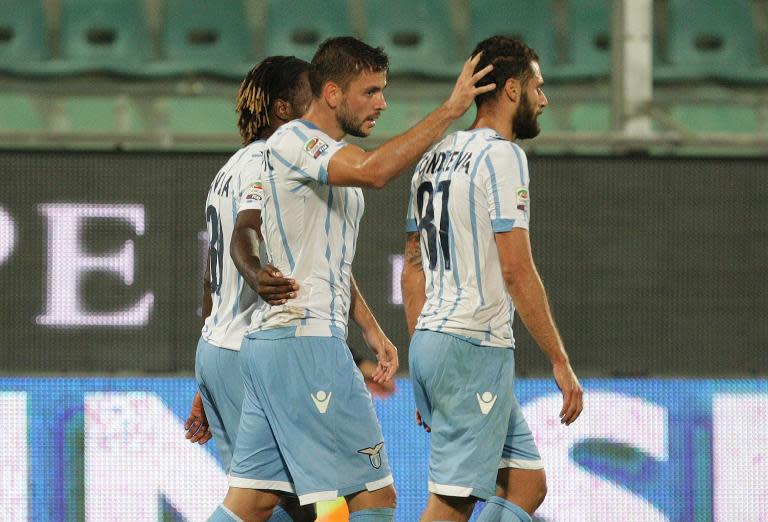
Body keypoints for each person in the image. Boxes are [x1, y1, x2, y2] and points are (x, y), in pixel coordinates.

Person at [210, 37, 495, 522]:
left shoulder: (323, 155)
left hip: (277, 344)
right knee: (373, 496)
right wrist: (450, 110)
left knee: (252, 503)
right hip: (305, 343)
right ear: (333, 93)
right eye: (371, 92)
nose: (382, 103)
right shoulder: (295, 140)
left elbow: (324, 260)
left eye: (383, 91)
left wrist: (368, 327)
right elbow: (375, 171)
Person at [401, 36, 584, 522]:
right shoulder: (504, 156)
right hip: (471, 348)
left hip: (436, 343)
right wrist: (560, 361)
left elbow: (413, 267)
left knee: (525, 483)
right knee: (451, 505)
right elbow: (517, 270)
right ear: (509, 91)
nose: (543, 99)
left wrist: (424, 357)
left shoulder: (432, 157)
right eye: (537, 87)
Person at [187, 55, 316, 522]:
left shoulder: (230, 167)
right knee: (298, 498)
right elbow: (244, 237)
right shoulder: (270, 161)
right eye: (312, 93)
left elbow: (209, 275)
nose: (321, 103)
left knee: (278, 499)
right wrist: (257, 274)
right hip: (251, 354)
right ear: (284, 108)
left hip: (219, 349)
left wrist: (206, 379)